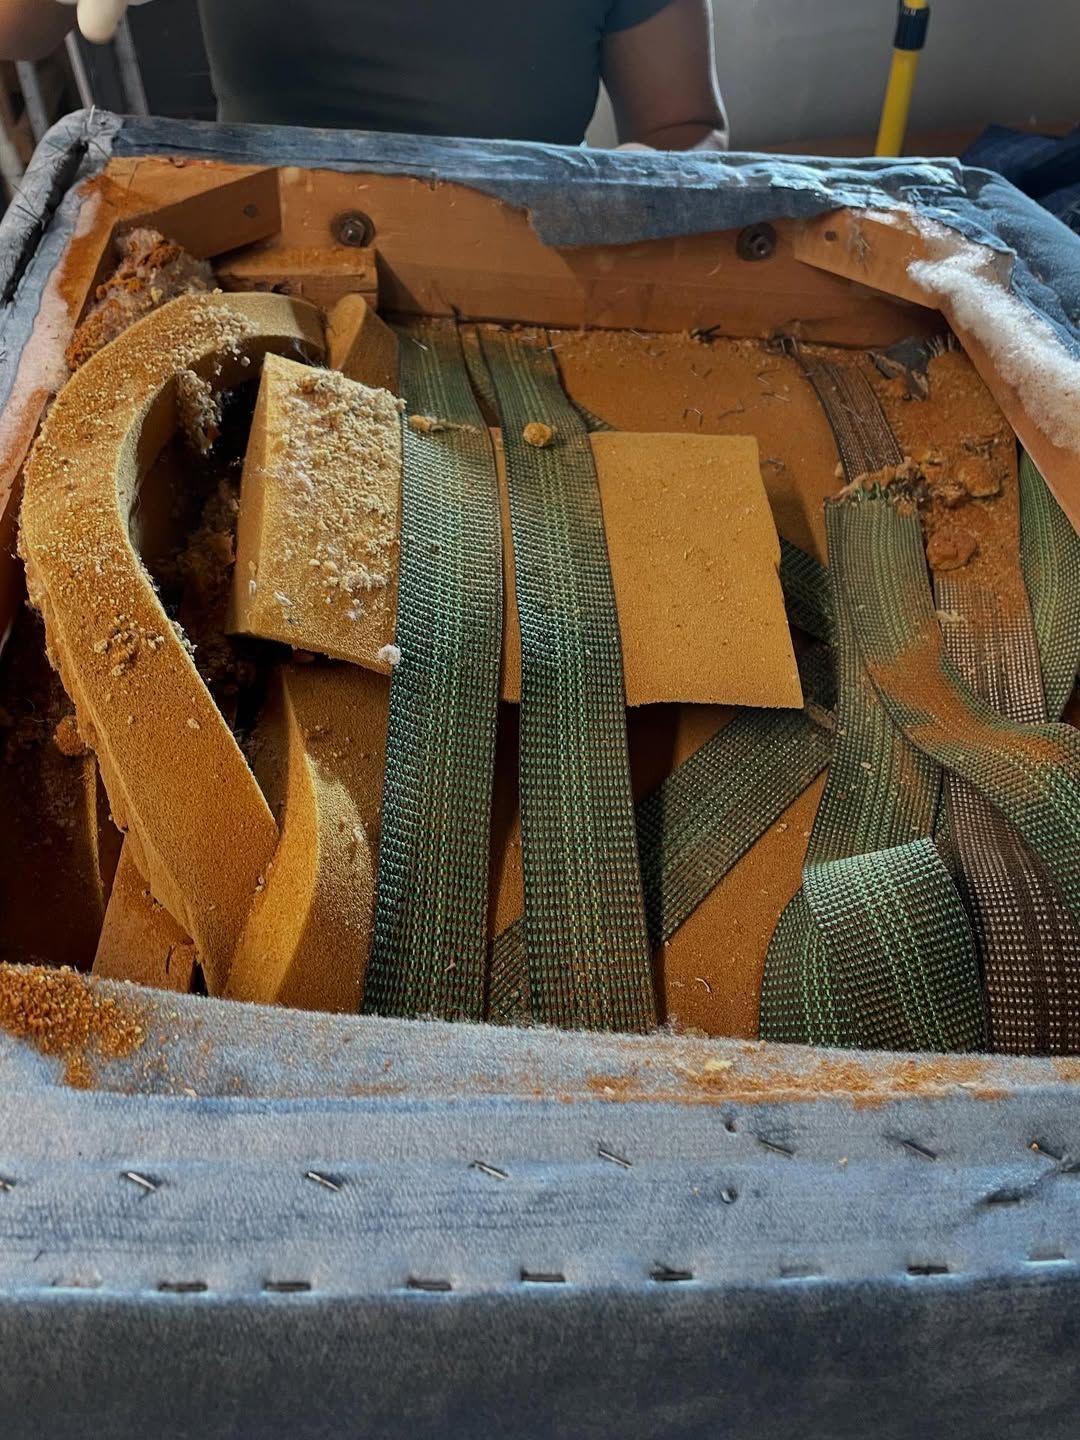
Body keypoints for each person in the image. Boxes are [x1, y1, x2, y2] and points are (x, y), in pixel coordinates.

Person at [0, 0, 728, 150]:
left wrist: (627, 203)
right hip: (265, 256)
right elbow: (20, 29)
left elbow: (683, 124)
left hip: (521, 264)